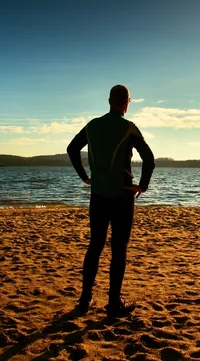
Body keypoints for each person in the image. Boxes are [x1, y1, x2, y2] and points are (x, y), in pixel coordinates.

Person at [67, 84, 155, 318]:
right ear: (127, 102)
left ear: (108, 101)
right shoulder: (128, 127)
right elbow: (149, 158)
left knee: (95, 245)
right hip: (123, 195)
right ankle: (113, 303)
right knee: (118, 249)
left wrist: (85, 177)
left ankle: (85, 300)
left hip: (98, 194)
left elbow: (72, 148)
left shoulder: (93, 125)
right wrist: (143, 185)